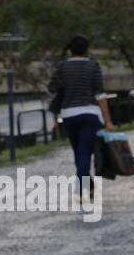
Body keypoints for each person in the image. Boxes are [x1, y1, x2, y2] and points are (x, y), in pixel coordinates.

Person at [47, 35, 115, 197]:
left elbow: (52, 88)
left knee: (79, 152)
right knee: (85, 152)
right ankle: (83, 187)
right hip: (90, 114)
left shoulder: (62, 67)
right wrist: (108, 121)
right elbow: (100, 95)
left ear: (70, 50)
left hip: (69, 115)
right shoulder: (93, 66)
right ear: (86, 49)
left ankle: (87, 186)